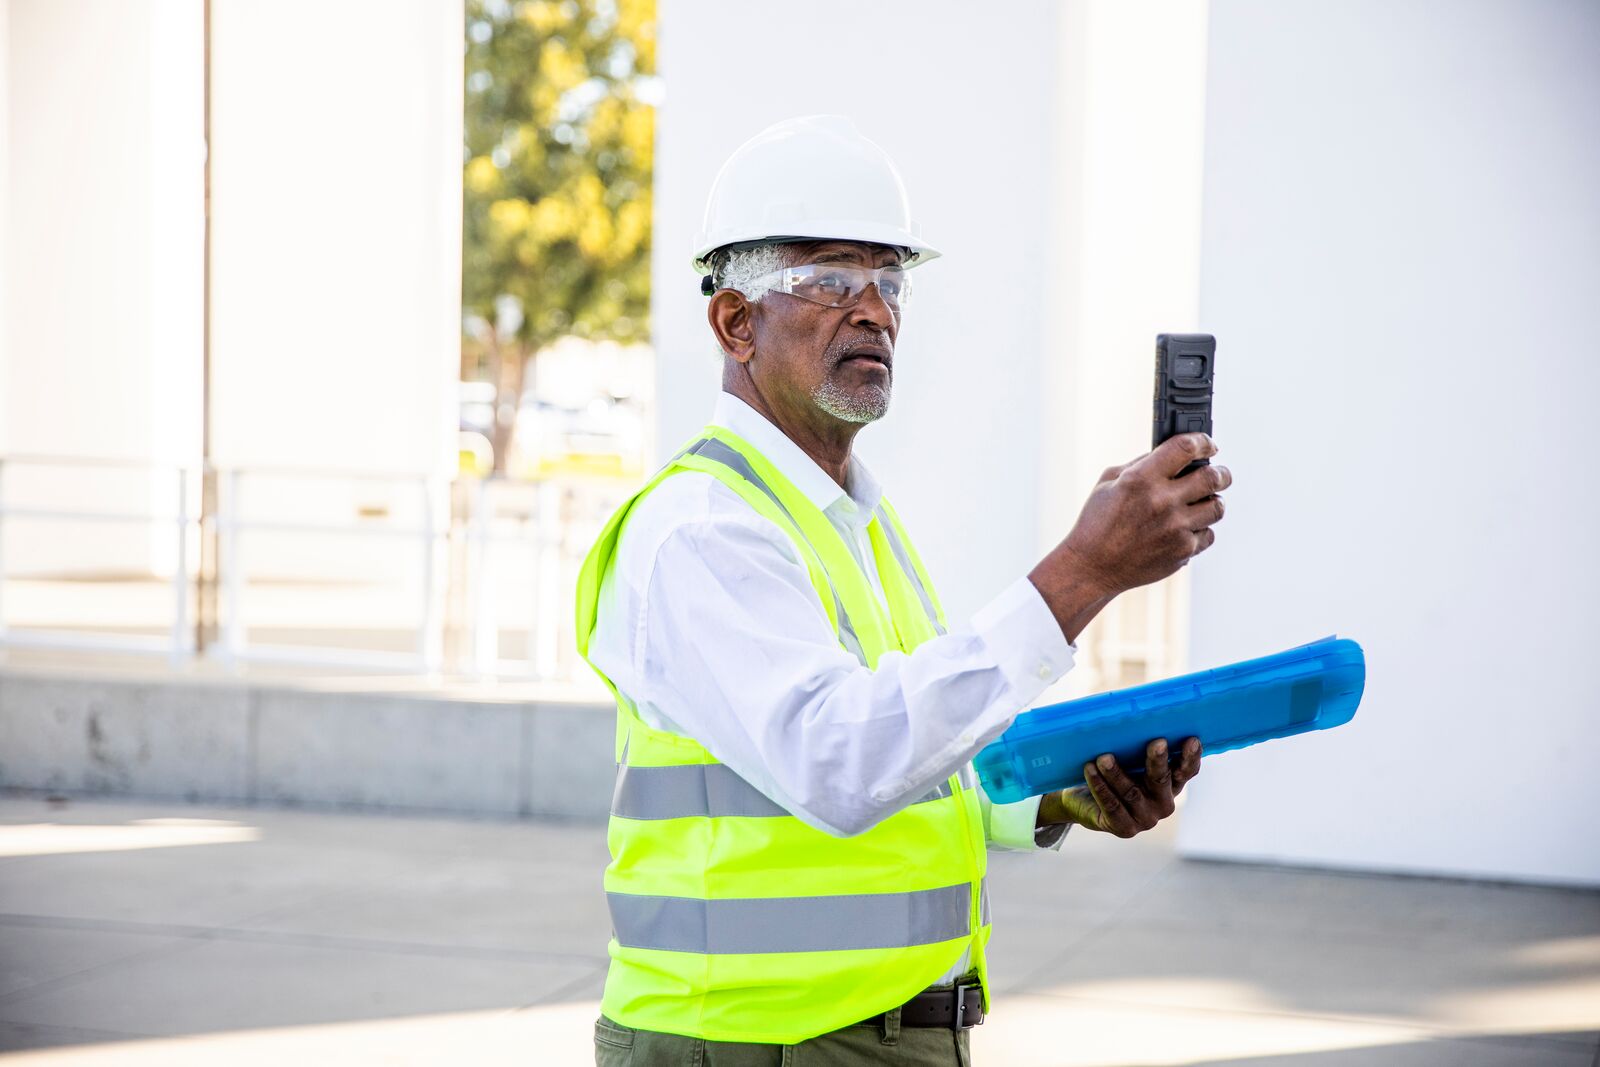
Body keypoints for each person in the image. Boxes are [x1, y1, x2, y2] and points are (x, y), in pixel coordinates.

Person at [575, 115, 1230, 1066]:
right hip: (754, 1044)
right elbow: (840, 762)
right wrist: (1084, 571)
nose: (874, 308)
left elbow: (913, 750)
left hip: (875, 1035)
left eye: (890, 280)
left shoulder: (856, 521)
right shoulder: (701, 530)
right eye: (832, 277)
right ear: (735, 322)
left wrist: (1054, 796)